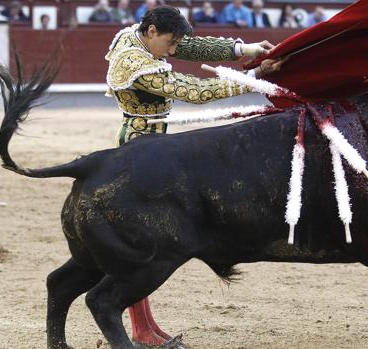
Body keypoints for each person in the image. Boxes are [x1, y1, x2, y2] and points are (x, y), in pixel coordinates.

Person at [105, 7, 283, 346]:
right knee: (144, 243)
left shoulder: (140, 37)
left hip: (148, 144)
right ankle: (141, 328)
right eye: (169, 44)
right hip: (139, 150)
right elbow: (196, 92)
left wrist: (244, 50)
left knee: (144, 241)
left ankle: (144, 326)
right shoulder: (134, 63)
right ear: (153, 31)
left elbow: (193, 48)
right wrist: (255, 75)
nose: (173, 51)